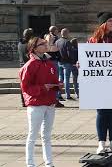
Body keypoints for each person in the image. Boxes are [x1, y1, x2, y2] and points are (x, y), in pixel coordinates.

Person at [88, 11, 112, 154]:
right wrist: (81, 64)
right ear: (103, 24)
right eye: (110, 21)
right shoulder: (93, 41)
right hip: (99, 83)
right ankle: (101, 143)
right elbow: (87, 59)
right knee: (102, 112)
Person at [19, 37, 63, 167]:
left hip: (49, 103)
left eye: (45, 43)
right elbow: (25, 88)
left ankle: (49, 163)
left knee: (47, 136)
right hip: (36, 104)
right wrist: (43, 88)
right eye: (42, 44)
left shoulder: (49, 63)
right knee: (33, 135)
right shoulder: (30, 65)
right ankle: (30, 164)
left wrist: (58, 85)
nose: (45, 45)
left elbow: (53, 80)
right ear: (34, 48)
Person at [45, 26, 65, 107]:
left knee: (50, 79)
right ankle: (55, 99)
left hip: (48, 60)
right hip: (54, 60)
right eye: (57, 30)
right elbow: (56, 48)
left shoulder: (46, 36)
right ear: (54, 31)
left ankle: (52, 98)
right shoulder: (55, 38)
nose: (58, 31)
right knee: (55, 80)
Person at [55, 28, 76, 100]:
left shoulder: (57, 42)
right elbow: (70, 54)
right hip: (67, 63)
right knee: (66, 79)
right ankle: (68, 95)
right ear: (67, 33)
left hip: (59, 62)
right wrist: (72, 62)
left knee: (60, 78)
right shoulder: (67, 42)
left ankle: (59, 94)